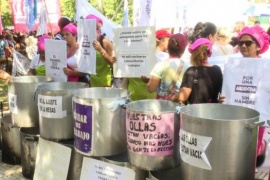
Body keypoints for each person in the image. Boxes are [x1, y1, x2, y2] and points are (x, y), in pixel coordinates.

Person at [237, 26, 269, 167]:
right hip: (236, 116)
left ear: (258, 46)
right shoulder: (233, 65)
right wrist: (223, 98)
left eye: (248, 42)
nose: (244, 45)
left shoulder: (266, 67)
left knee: (251, 150)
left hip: (258, 116)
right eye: (241, 43)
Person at [171, 38, 223, 104]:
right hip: (213, 111)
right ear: (210, 53)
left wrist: (172, 97)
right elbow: (222, 94)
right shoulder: (217, 69)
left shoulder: (191, 71)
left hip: (195, 112)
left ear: (192, 54)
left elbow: (182, 97)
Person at [147, 33, 188, 99]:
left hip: (162, 106)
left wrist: (149, 81)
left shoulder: (161, 65)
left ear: (168, 47)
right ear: (183, 49)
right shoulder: (189, 67)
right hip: (180, 106)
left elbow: (151, 88)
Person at [86, 14, 115, 87]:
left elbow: (113, 63)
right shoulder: (86, 41)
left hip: (105, 82)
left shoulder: (105, 41)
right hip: (92, 81)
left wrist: (101, 50)